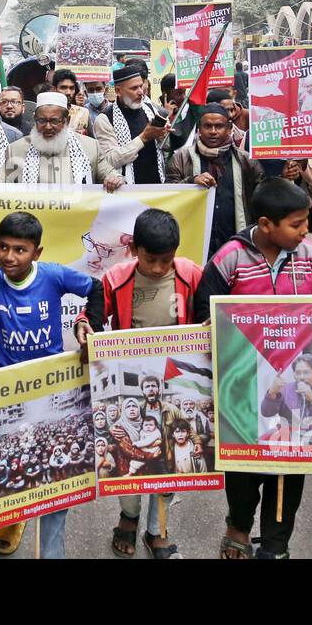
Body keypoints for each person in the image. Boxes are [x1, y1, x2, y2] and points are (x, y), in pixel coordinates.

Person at [193, 178, 312, 559]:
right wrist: (210, 326)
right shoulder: (230, 257)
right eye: (296, 224)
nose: (306, 230)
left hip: (296, 390)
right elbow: (203, 310)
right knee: (242, 467)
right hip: (243, 388)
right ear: (266, 224)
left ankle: (276, 543)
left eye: (307, 221)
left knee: (290, 469)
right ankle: (238, 525)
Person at [0, 211, 103, 558]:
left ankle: (51, 550)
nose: (9, 257)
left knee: (56, 474)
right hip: (6, 392)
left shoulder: (53, 275)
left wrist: (88, 323)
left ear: (37, 253)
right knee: (12, 466)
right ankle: (13, 518)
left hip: (50, 390)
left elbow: (97, 288)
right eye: (3, 247)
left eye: (20, 250)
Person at [77, 209, 200, 559]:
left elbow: (208, 314)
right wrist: (83, 328)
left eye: (167, 259)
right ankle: (129, 517)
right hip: (130, 385)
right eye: (151, 259)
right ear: (134, 250)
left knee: (172, 460)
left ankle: (156, 529)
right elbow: (91, 316)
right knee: (127, 460)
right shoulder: (115, 278)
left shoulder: (191, 274)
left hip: (177, 386)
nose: (160, 267)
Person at [166, 104, 265, 257]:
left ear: (229, 128)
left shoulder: (245, 160)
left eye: (219, 126)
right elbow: (169, 196)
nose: (213, 132)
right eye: (208, 126)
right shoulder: (181, 158)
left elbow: (262, 195)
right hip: (194, 242)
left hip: (235, 241)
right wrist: (191, 182)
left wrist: (285, 178)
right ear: (199, 128)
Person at [1, 91, 120, 188]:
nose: (48, 127)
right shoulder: (15, 149)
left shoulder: (90, 147)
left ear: (67, 120)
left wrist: (114, 178)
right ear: (35, 119)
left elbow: (109, 173)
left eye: (54, 121)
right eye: (42, 121)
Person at [93, 63, 171, 186]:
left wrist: (163, 135)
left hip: (157, 186)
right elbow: (109, 160)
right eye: (134, 88)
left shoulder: (152, 110)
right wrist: (144, 137)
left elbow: (166, 149)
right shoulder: (105, 119)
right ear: (118, 91)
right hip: (126, 191)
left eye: (141, 86)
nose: (141, 92)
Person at [51, 70, 91, 135]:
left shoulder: (83, 112)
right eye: (63, 88)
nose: (68, 92)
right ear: (54, 89)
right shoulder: (46, 113)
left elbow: (91, 140)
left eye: (71, 88)